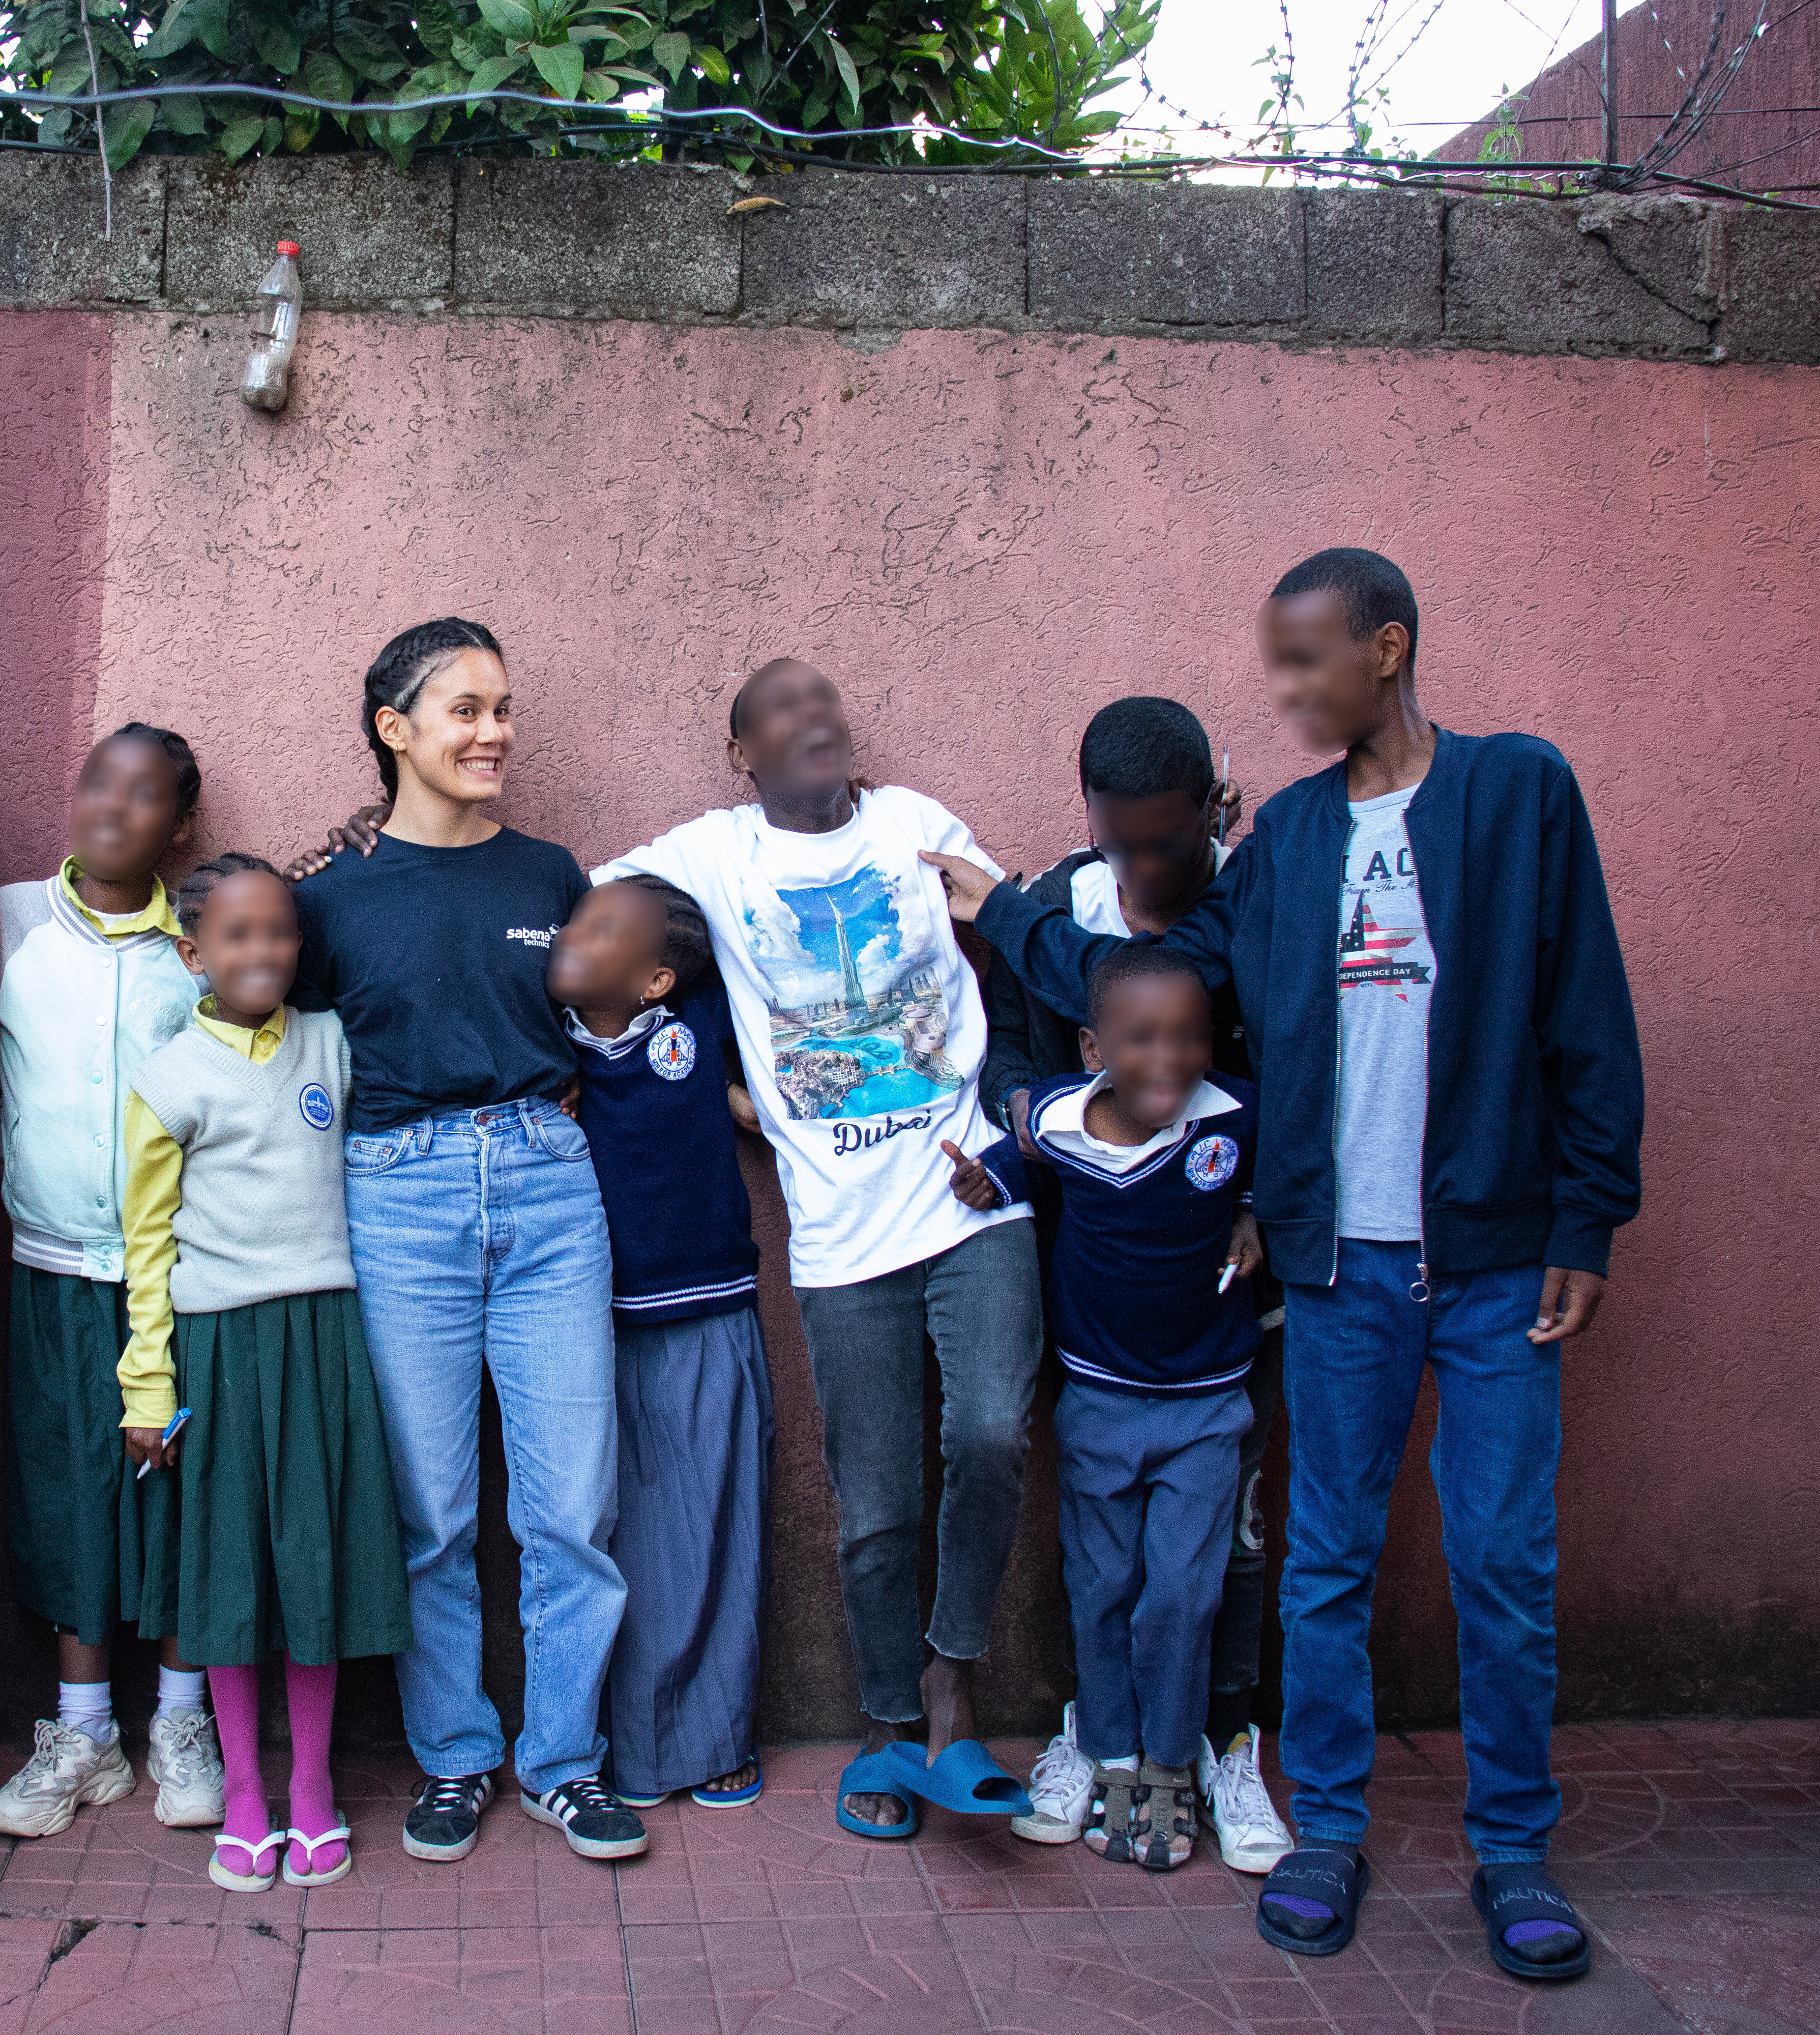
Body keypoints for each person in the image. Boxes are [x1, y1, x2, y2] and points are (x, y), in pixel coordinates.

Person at [932, 547, 1642, 1982]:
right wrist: (1011, 914)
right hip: (1333, 1270)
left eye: (1305, 661)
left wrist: (1588, 1216)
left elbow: (1587, 1007)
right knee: (1325, 1560)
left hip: (1497, 1262)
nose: (1285, 688)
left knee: (1505, 1562)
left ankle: (1513, 1853)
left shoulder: (1517, 792)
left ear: (1386, 648)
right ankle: (1327, 1830)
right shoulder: (1292, 842)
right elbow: (1169, 996)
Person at [590, 658, 1041, 1841]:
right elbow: (576, 912)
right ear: (743, 753)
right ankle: (894, 1728)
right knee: (877, 1506)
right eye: (784, 710)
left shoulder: (912, 825)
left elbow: (1020, 934)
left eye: (827, 700)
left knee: (992, 1429)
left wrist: (1025, 1125)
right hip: (839, 1233)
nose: (817, 718)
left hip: (973, 1193)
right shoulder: (714, 853)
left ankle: (953, 1678)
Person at [282, 619, 645, 1866]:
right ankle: (454, 1753)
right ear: (395, 730)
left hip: (549, 1187)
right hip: (396, 1196)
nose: (494, 731)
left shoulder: (550, 875)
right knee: (430, 1509)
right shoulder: (328, 899)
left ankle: (563, 1761)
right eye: (465, 710)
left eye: (503, 708)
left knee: (571, 1504)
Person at [980, 697, 1292, 1875]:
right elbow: (1013, 1043)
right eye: (1121, 843)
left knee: (1230, 1541)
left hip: (1222, 1282)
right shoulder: (1064, 899)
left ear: (1213, 809)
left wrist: (1263, 1200)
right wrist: (1035, 1113)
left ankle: (1218, 1744)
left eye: (1168, 841)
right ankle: (1099, 1735)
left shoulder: (1245, 897)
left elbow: (1279, 1070)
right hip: (1103, 1286)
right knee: (1105, 1550)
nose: (1144, 867)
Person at [115, 855, 413, 1891]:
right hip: (221, 1350)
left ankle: (316, 1788)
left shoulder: (332, 1042)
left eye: (280, 931)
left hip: (327, 1337)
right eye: (237, 936)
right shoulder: (170, 1078)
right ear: (194, 952)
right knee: (231, 1574)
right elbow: (145, 1243)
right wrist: (147, 1387)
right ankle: (246, 1792)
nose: (263, 952)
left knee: (316, 1561)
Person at [0, 726, 222, 1839]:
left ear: (178, 823)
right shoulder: (13, 921)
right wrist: (20, 1164)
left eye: (145, 795)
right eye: (97, 782)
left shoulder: (198, 940)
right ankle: (83, 1731)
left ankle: (181, 1717)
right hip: (56, 1264)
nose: (113, 808)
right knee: (69, 1488)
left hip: (176, 1271)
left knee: (176, 1483)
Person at [1013, 947, 1264, 1874]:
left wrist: (1257, 1209)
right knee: (1102, 1584)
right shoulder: (1056, 1122)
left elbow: (1280, 1170)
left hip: (1206, 1408)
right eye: (1143, 1038)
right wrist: (979, 1178)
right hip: (1099, 1402)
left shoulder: (1234, 1118)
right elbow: (1013, 1152)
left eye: (1190, 1036)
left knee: (1184, 1594)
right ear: (1094, 1048)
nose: (1171, 1058)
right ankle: (1105, 1746)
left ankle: (1168, 1757)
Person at [543, 876, 774, 1813]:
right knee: (617, 1540)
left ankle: (716, 1736)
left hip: (711, 1307)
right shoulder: (537, 1037)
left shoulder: (700, 1018)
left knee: (720, 1527)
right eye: (578, 918)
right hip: (592, 1322)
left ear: (656, 981)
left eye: (601, 929)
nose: (572, 932)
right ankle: (632, 1753)